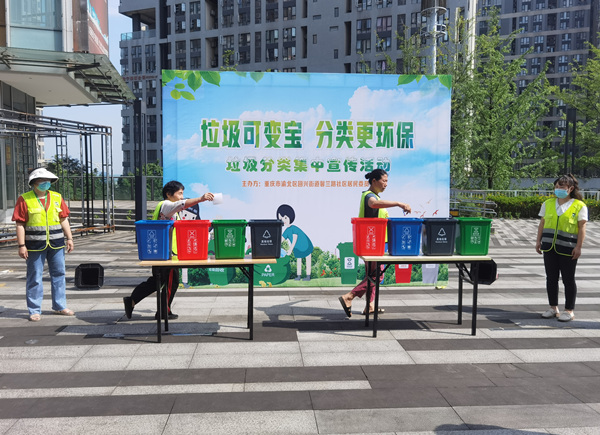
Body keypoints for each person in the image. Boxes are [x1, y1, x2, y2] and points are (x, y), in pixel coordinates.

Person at [123, 181, 214, 320]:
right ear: (168, 194)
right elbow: (182, 204)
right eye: (180, 193)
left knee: (157, 281)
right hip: (168, 254)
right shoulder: (166, 205)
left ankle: (133, 300)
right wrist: (201, 198)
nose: (182, 197)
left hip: (162, 252)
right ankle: (163, 311)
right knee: (172, 282)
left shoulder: (167, 208)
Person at [338, 169, 411, 316]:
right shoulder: (369, 196)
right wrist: (399, 203)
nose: (386, 184)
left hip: (374, 243)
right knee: (377, 275)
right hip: (372, 244)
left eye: (387, 181)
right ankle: (349, 296)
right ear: (374, 181)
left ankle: (370, 305)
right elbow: (373, 204)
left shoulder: (375, 196)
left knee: (372, 275)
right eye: (383, 181)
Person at [12, 167, 75, 322]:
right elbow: (20, 224)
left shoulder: (56, 197)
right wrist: (21, 245)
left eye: (48, 181)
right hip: (34, 245)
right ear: (34, 182)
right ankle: (34, 309)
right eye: (42, 181)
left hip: (56, 243)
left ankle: (60, 305)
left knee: (59, 274)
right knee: (34, 277)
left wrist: (69, 238)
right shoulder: (24, 199)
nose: (46, 183)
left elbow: (63, 219)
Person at [536, 174, 587, 322]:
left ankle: (569, 310)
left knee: (568, 279)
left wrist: (578, 247)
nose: (558, 189)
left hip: (568, 248)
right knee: (551, 278)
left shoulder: (579, 205)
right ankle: (553, 308)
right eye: (556, 186)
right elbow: (542, 223)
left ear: (570, 189)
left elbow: (582, 228)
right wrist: (538, 241)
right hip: (549, 247)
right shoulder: (548, 203)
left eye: (561, 186)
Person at [277, 204, 314, 281]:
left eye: (285, 218)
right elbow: (281, 240)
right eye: (281, 219)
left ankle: (308, 276)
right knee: (299, 261)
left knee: (308, 259)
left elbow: (294, 239)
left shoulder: (294, 228)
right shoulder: (286, 231)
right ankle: (299, 276)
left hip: (306, 245)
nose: (283, 220)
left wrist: (290, 250)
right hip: (297, 248)